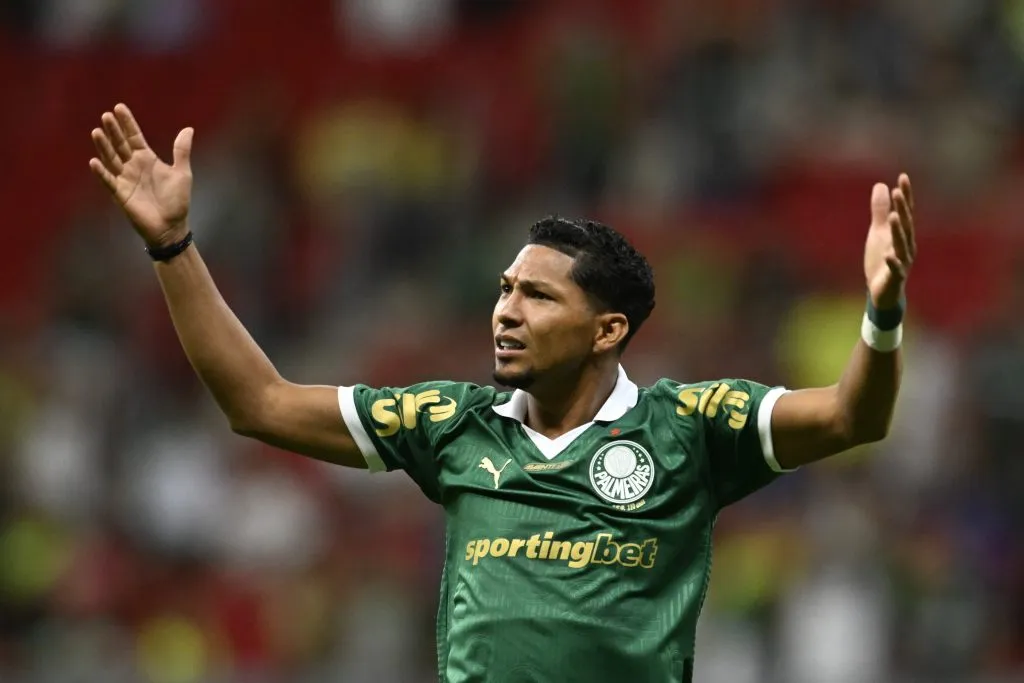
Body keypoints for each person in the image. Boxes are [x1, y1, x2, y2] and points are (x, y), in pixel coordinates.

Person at [88, 104, 917, 683]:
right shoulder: (454, 424)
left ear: (608, 330)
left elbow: (854, 414)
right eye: (504, 289)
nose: (505, 312)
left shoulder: (691, 428)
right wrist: (172, 247)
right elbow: (259, 403)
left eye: (538, 296)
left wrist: (881, 313)